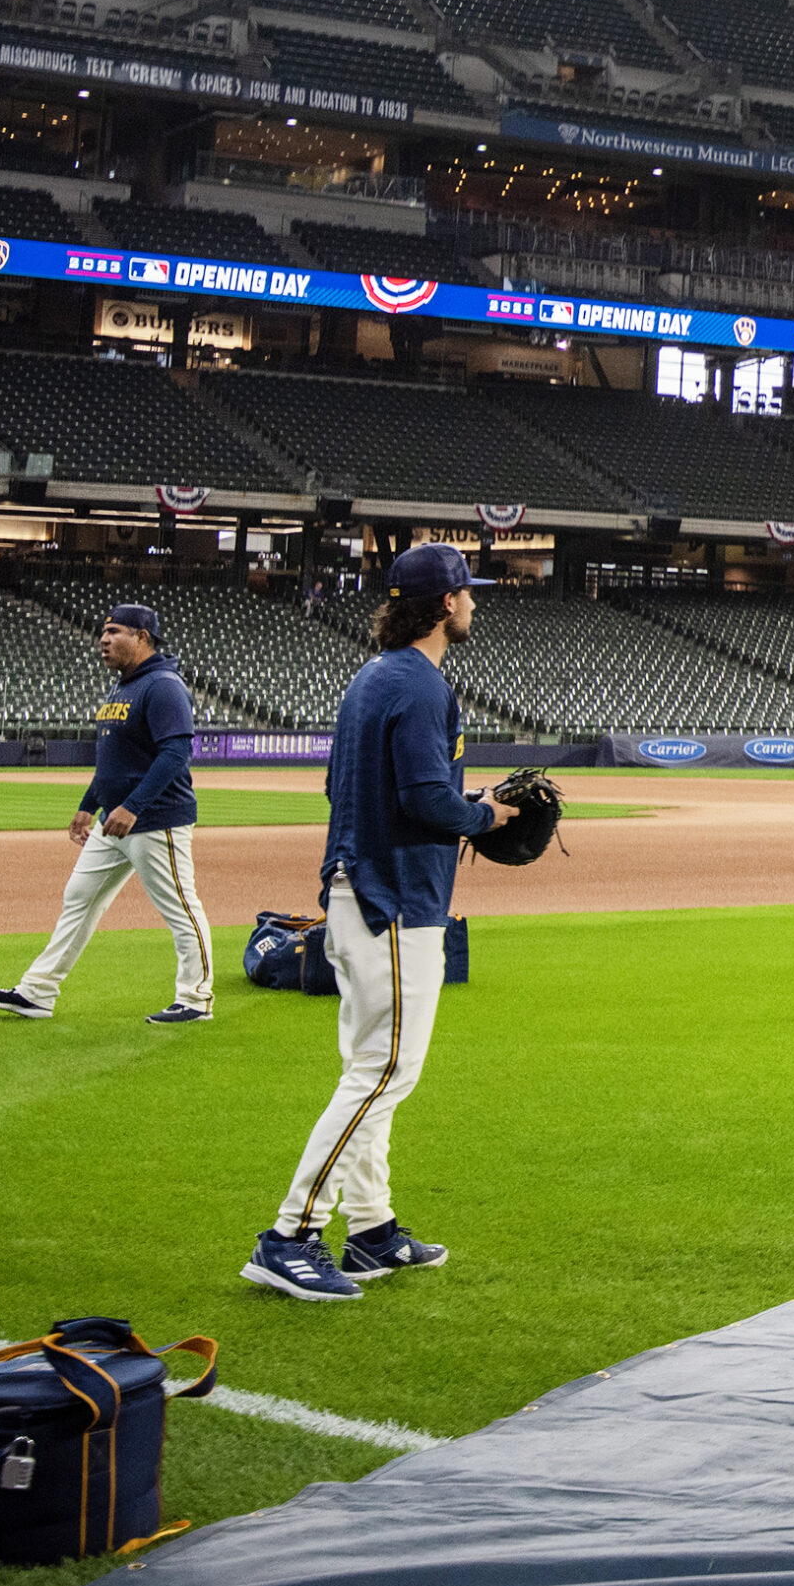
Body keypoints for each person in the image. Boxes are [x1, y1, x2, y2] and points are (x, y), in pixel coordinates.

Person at [241, 544, 513, 1302]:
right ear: (444, 605)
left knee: (369, 1067)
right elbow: (429, 803)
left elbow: (340, 784)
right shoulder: (421, 685)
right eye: (467, 594)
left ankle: (371, 1230)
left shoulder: (371, 679)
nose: (473, 604)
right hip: (395, 902)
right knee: (386, 1072)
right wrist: (485, 814)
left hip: (356, 889)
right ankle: (289, 1236)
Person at [0, 603, 214, 1025]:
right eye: (103, 632)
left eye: (115, 632)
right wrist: (89, 805)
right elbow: (113, 761)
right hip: (114, 820)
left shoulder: (162, 685)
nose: (103, 640)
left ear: (143, 638)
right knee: (79, 899)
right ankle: (37, 992)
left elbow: (177, 751)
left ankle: (196, 1000)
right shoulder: (122, 687)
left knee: (180, 907)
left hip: (156, 818)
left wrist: (134, 806)